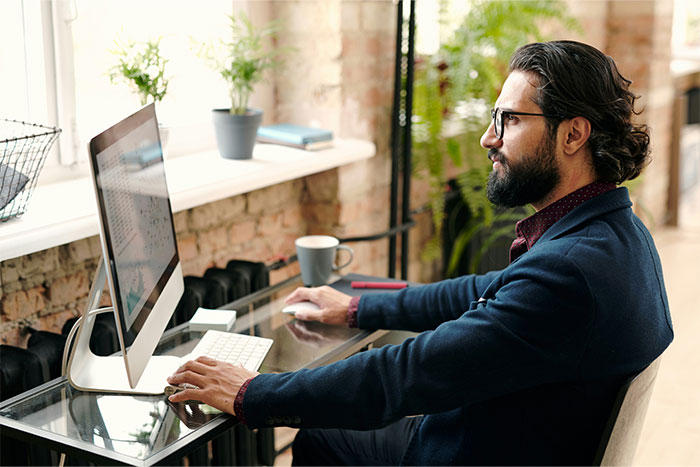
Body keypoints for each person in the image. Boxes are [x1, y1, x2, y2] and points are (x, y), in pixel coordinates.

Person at [167, 40, 674, 465]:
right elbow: (485, 291)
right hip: (532, 438)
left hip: (477, 452)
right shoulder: (616, 231)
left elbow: (405, 374)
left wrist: (251, 394)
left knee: (321, 437)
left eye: (509, 120)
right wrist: (359, 306)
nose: (487, 138)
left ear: (573, 134)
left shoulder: (568, 274)